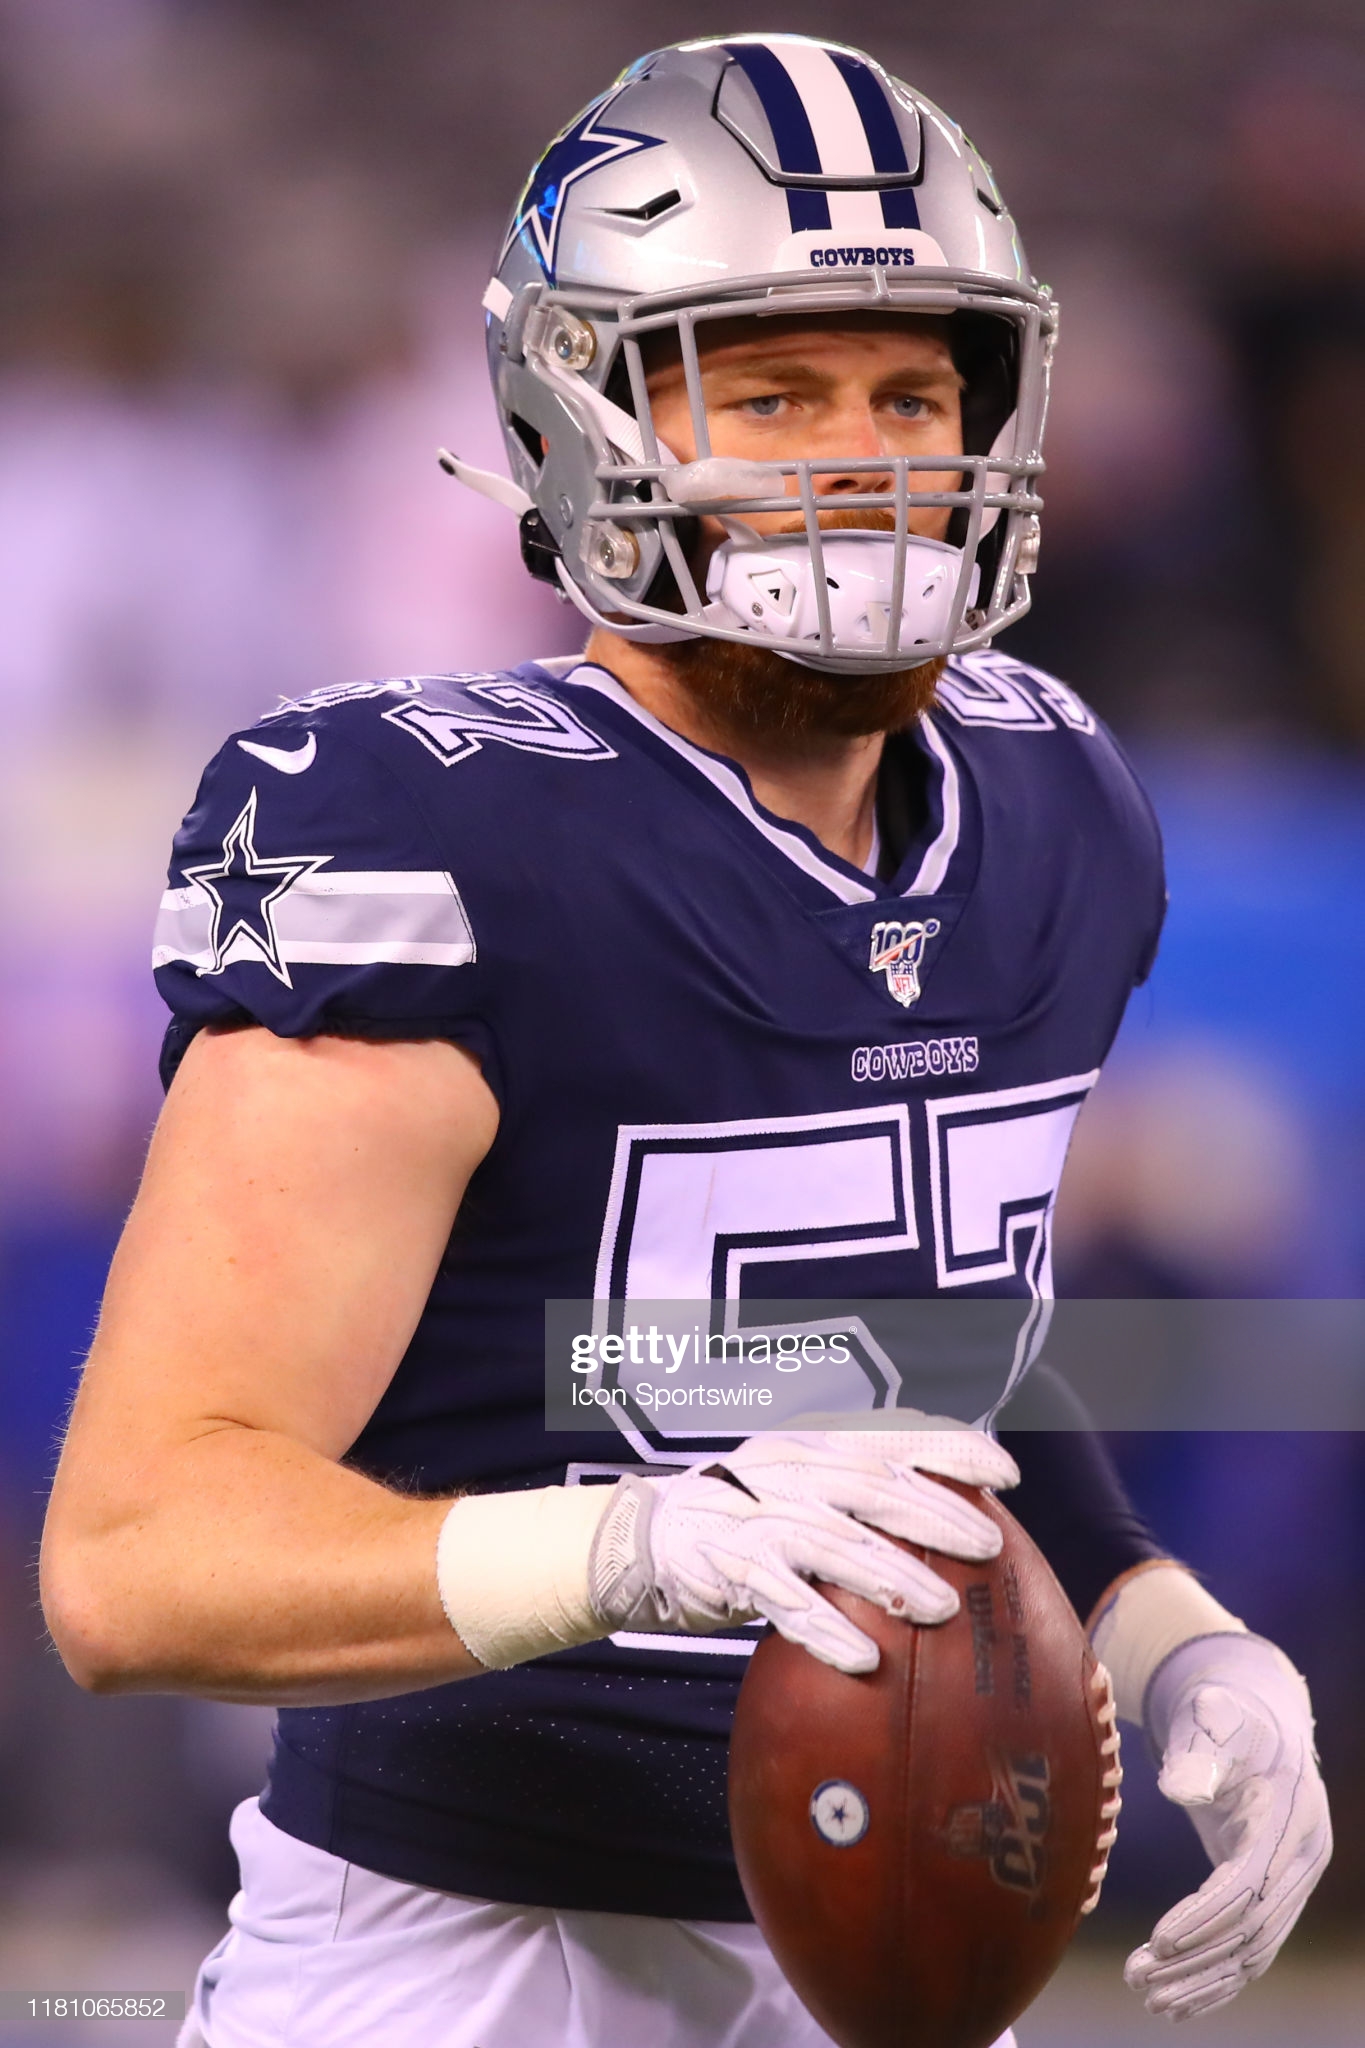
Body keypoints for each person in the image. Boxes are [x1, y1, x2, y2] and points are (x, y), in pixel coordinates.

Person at [40, 34, 1330, 2048]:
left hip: (888, 1931)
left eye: (912, 389)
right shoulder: (428, 827)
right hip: (463, 1954)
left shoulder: (1056, 798)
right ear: (581, 421)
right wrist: (632, 1546)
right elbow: (135, 1559)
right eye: (772, 389)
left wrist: (1165, 1636)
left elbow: (921, 1355)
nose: (864, 453)